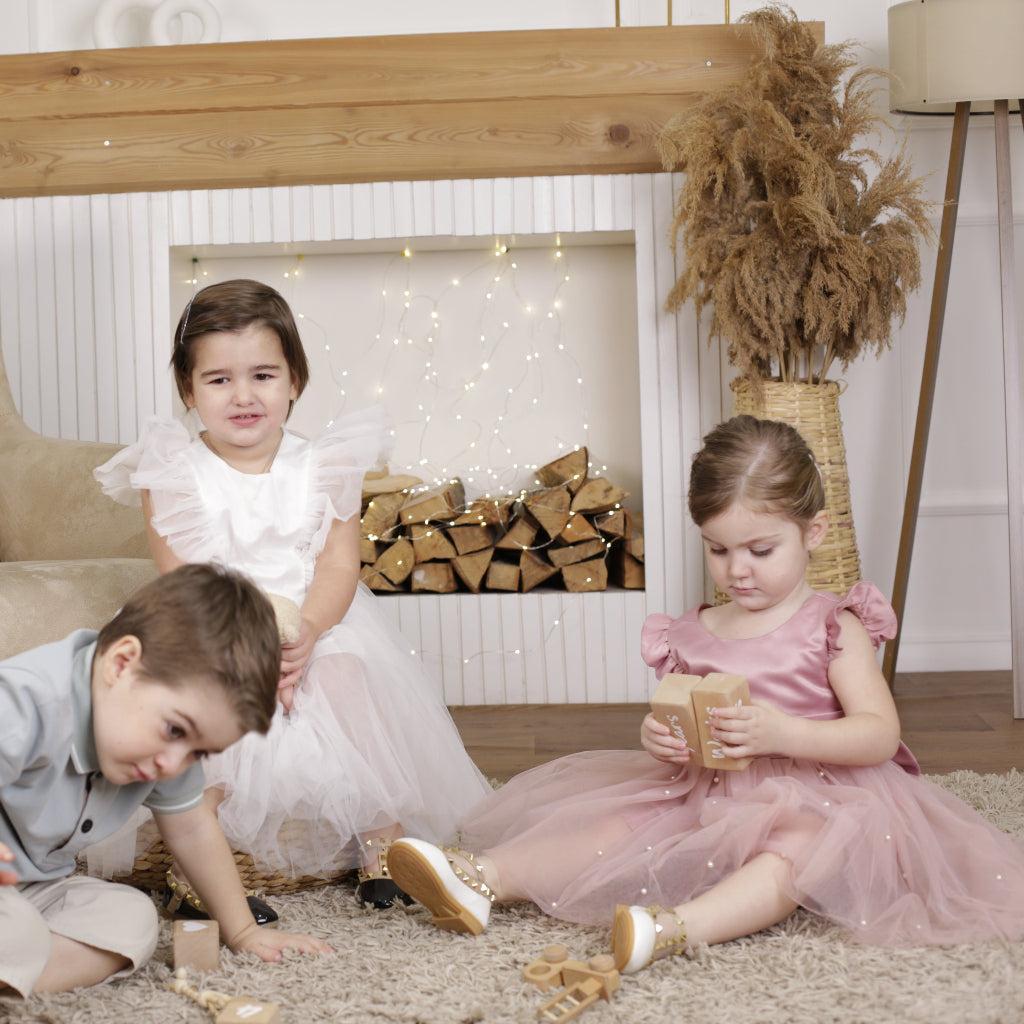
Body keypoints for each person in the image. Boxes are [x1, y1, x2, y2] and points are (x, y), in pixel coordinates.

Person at [386, 415, 1024, 970]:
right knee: (615, 820)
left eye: (760, 549)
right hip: (707, 789)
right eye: (718, 549)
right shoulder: (694, 630)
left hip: (825, 796)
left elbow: (879, 733)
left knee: (790, 855)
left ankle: (679, 928)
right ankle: (483, 878)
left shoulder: (834, 625)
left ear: (816, 532)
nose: (736, 569)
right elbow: (679, 721)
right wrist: (660, 738)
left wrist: (783, 734)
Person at [93, 279, 490, 911]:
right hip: (209, 626)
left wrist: (307, 631)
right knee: (201, 713)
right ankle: (198, 864)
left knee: (353, 686)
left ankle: (380, 847)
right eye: (219, 380)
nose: (244, 396)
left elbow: (338, 567)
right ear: (188, 391)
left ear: (294, 381)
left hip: (312, 621)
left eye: (263, 375)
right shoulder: (171, 468)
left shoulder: (325, 465)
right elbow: (183, 575)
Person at [0, 564, 332, 998]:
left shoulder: (162, 748)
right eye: (175, 731)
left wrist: (244, 932)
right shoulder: (27, 703)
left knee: (133, 920)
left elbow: (194, 829)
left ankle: (16, 977)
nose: (173, 764)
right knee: (20, 933)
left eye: (197, 753)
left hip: (35, 889)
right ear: (122, 664)